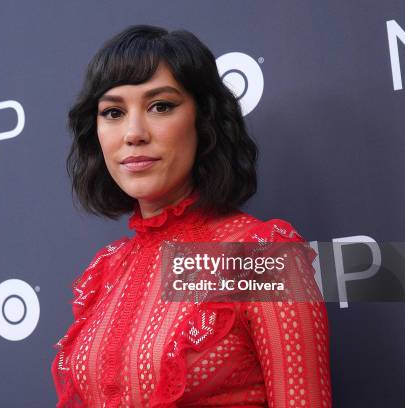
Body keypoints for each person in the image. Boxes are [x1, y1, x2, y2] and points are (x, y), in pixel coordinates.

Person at [52, 25, 332, 408]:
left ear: (204, 120)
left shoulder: (259, 257)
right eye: (113, 112)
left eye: (160, 106)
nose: (133, 133)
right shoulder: (107, 272)